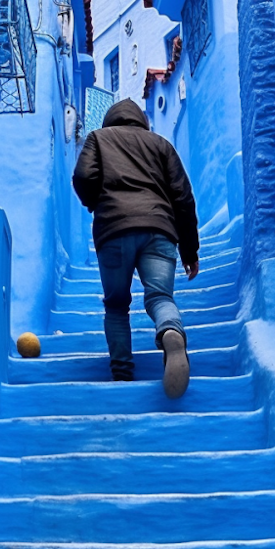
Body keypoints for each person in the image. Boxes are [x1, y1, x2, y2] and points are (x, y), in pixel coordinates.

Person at [72, 98, 199, 398]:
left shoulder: (98, 139)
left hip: (113, 229)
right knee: (159, 296)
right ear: (141, 121)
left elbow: (83, 176)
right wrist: (189, 251)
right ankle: (170, 332)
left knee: (116, 304)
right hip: (159, 228)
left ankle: (122, 373)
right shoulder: (161, 144)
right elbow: (182, 196)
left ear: (110, 120)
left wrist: (97, 203)